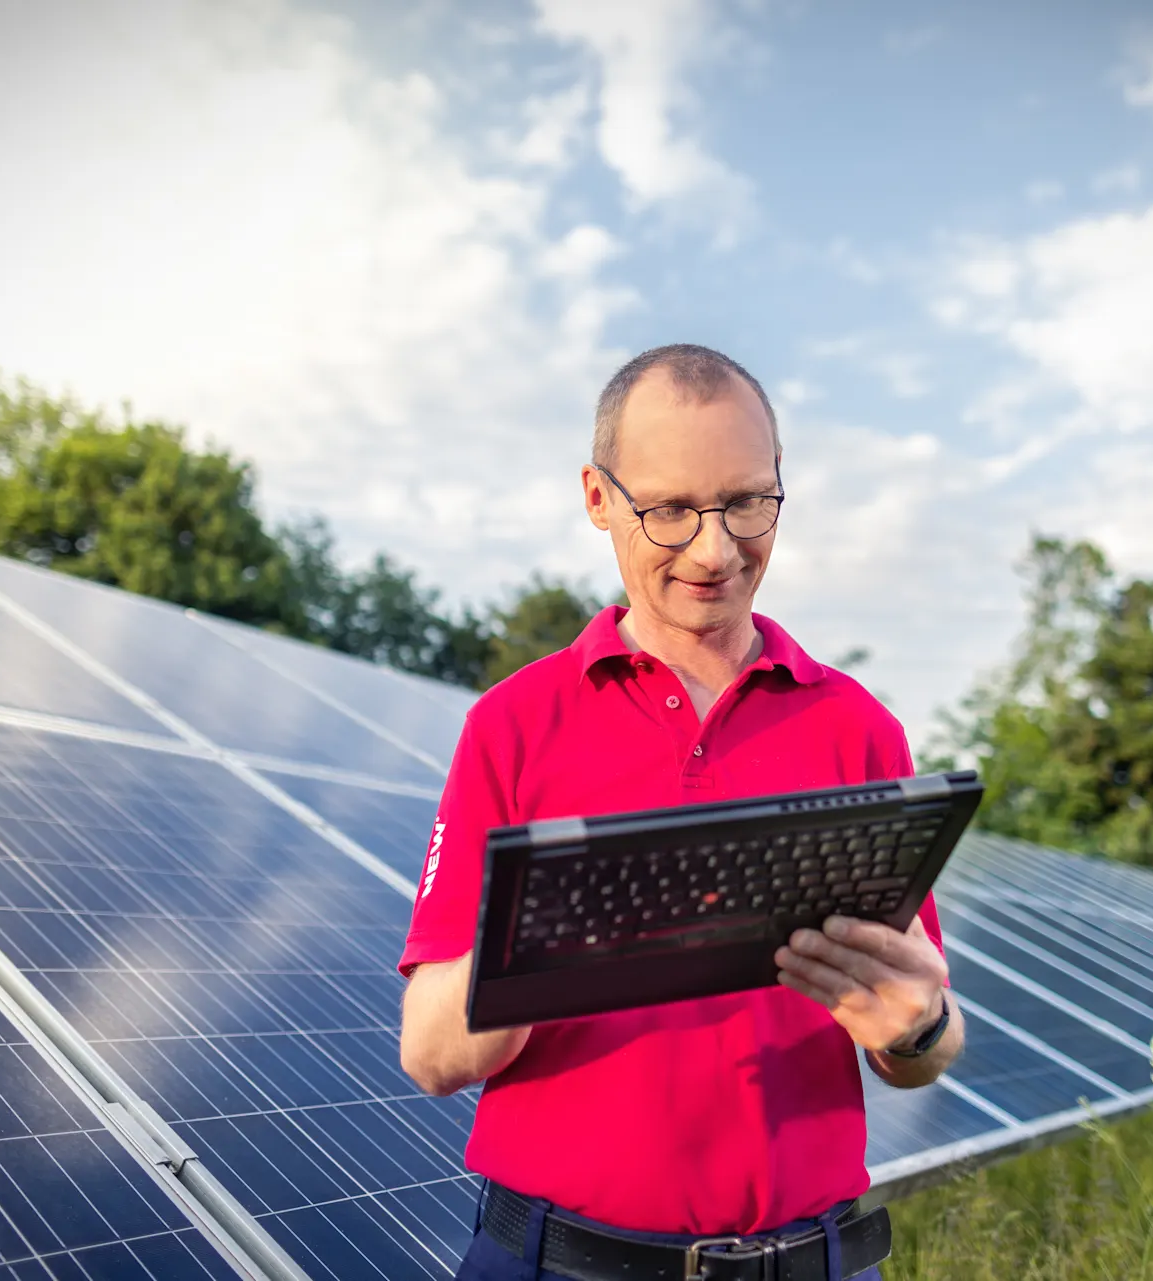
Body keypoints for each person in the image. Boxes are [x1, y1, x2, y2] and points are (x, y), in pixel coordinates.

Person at [397, 344, 964, 1281]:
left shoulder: (860, 731)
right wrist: (551, 945)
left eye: (748, 502)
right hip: (559, 1265)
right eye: (668, 510)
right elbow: (431, 1053)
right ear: (597, 497)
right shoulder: (513, 725)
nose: (715, 549)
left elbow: (919, 1045)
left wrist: (918, 1027)